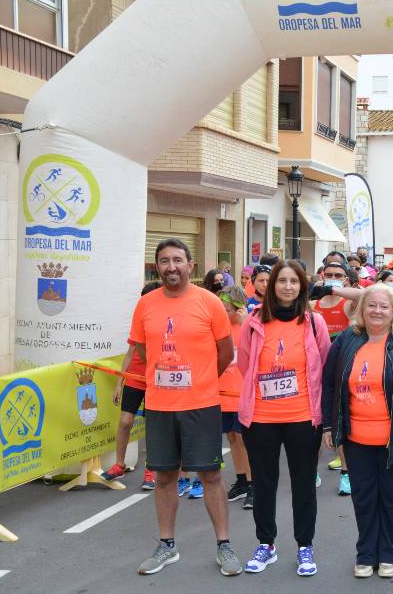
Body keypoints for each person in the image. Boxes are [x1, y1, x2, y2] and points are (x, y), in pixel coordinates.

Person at [130, 238, 240, 576]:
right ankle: (167, 546)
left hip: (202, 404)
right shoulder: (146, 304)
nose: (171, 266)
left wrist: (201, 379)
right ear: (157, 266)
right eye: (164, 261)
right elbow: (144, 351)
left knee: (210, 474)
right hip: (161, 405)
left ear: (190, 265)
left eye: (178, 260)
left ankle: (224, 546)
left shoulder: (209, 302)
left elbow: (225, 352)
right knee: (164, 476)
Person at [321, 285, 393, 579]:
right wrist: (330, 425)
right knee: (364, 499)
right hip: (357, 439)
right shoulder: (347, 339)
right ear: (362, 309)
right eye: (371, 305)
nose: (377, 311)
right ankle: (366, 553)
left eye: (384, 306)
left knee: (392, 501)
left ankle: (388, 553)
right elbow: (330, 383)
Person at [237, 260, 331, 577]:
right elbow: (245, 365)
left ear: (302, 287)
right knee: (264, 483)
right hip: (261, 417)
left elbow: (325, 365)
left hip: (303, 417)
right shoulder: (252, 321)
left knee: (303, 484)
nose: (287, 287)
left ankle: (305, 546)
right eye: (281, 281)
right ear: (271, 286)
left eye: (294, 281)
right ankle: (266, 544)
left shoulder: (314, 323)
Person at [102, 282, 162, 487]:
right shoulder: (140, 320)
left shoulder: (165, 321)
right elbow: (130, 353)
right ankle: (119, 465)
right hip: (135, 378)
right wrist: (120, 382)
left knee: (153, 426)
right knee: (125, 421)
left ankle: (150, 471)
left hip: (156, 380)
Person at [312, 261, 356, 495]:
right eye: (328, 274)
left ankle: (347, 475)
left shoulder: (347, 304)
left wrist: (334, 289)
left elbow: (368, 293)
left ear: (346, 280)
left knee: (341, 424)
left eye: (338, 275)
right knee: (317, 426)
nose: (332, 277)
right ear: (321, 275)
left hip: (341, 372)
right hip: (316, 373)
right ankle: (311, 472)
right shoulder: (312, 304)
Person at [216, 285, 254, 509]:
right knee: (231, 437)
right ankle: (241, 481)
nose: (223, 311)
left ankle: (253, 484)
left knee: (244, 440)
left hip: (242, 394)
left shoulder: (247, 326)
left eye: (227, 308)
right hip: (223, 395)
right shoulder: (219, 327)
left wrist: (245, 323)